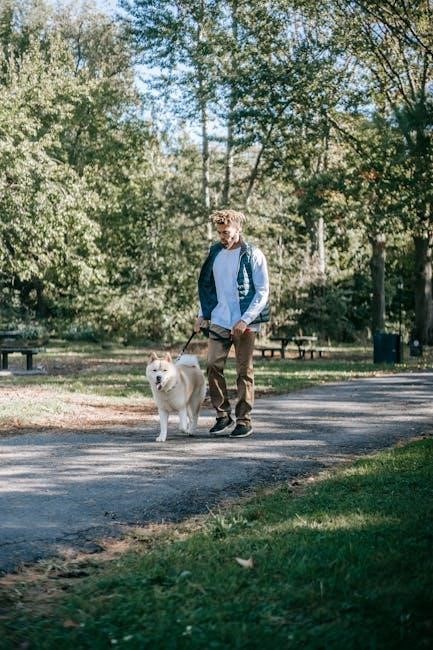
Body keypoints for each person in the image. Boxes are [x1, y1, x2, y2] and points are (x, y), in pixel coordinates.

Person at [194, 209, 270, 438]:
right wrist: (202, 313)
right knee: (212, 365)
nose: (222, 237)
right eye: (219, 233)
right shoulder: (215, 252)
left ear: (238, 229)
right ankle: (223, 415)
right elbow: (208, 287)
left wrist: (245, 319)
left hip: (245, 322)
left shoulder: (253, 254)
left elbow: (263, 291)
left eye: (226, 232)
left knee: (243, 371)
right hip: (219, 318)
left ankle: (244, 420)